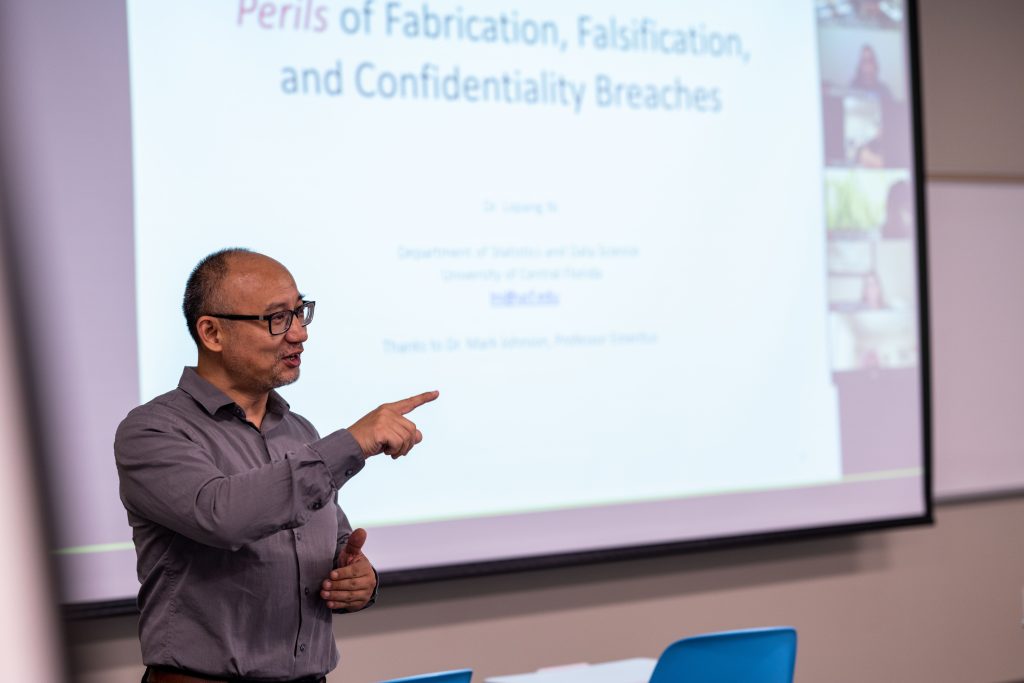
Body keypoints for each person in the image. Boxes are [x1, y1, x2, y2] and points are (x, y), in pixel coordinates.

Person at [114, 248, 439, 683]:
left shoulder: (299, 431)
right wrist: (354, 442)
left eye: (301, 312)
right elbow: (223, 516)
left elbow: (332, 539)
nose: (300, 333)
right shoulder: (154, 431)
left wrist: (357, 578)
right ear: (211, 332)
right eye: (277, 318)